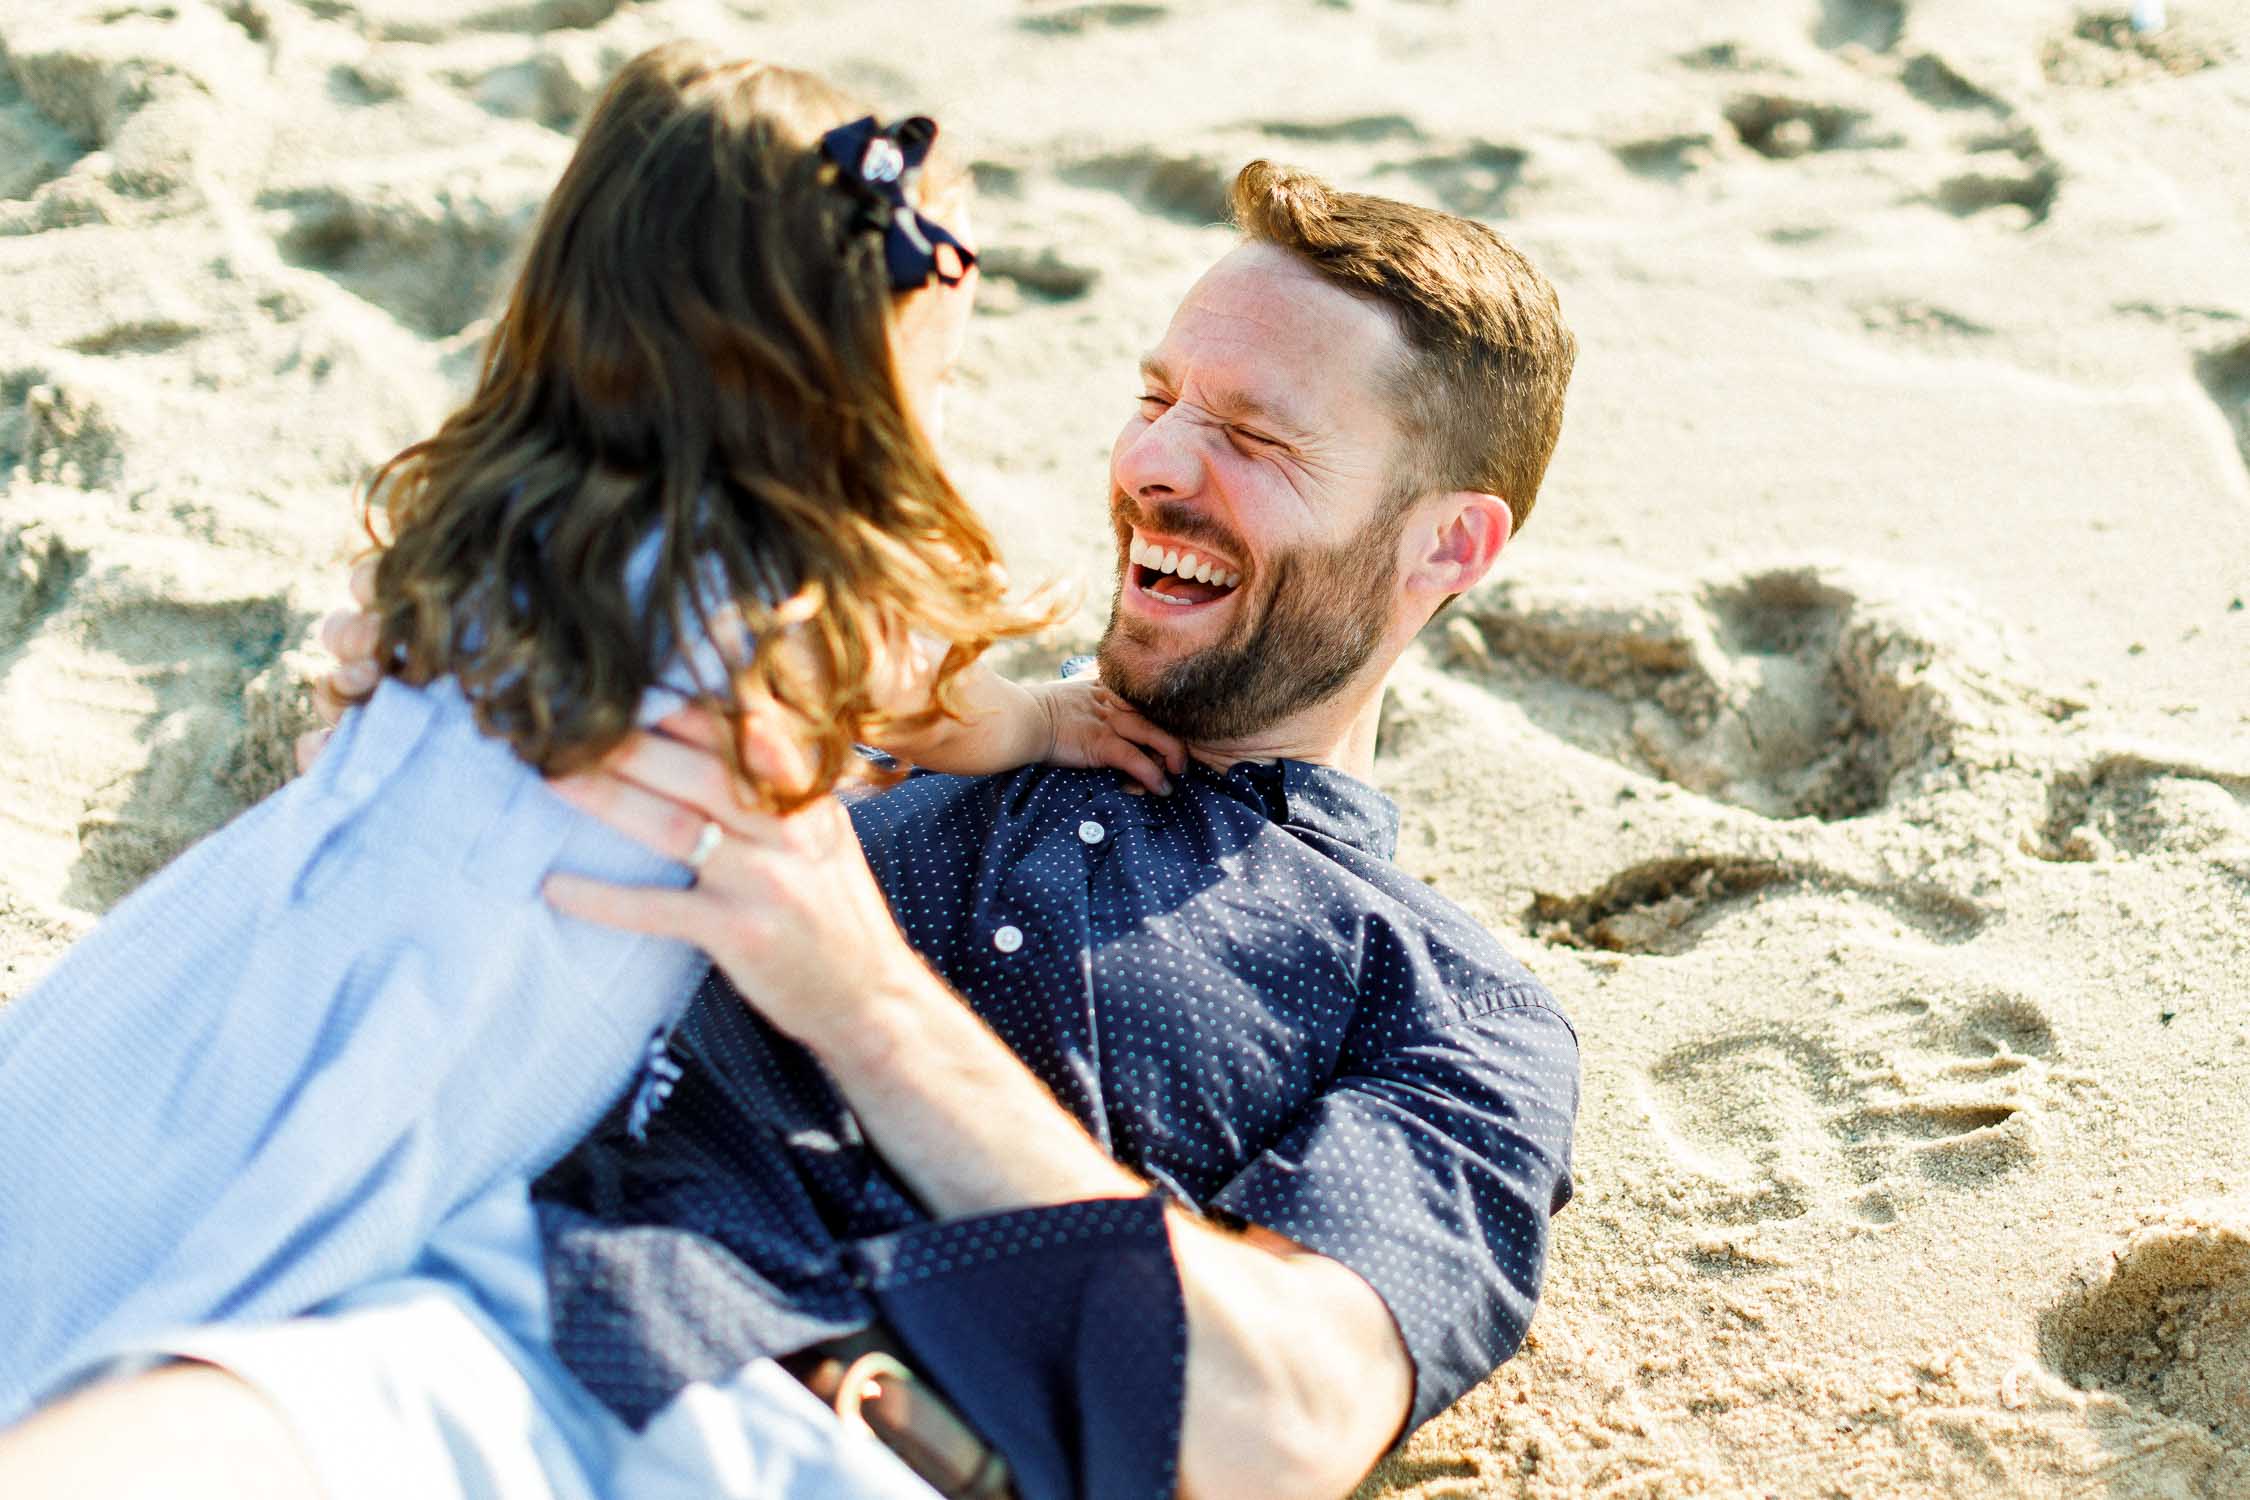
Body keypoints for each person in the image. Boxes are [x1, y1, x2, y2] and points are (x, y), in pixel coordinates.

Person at [0, 139, 1583, 1500]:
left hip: (784, 1433)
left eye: (1250, 437)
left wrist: (868, 1002)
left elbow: (1281, 1424)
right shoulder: (865, 722)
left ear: (1448, 546)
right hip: (422, 1290)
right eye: (1156, 398)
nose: (1154, 466)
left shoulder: (1447, 1004)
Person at [0, 41, 1184, 1428]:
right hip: (470, 1016)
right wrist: (1050, 718)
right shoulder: (797, 594)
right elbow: (940, 714)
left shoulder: (491, 513)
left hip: (255, 941)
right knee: (258, 1279)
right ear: (870, 338)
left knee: (107, 1188)